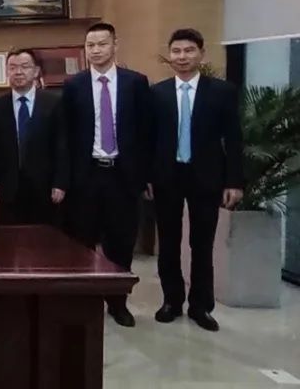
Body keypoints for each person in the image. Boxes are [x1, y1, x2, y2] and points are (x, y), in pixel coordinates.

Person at [151, 28, 243, 332]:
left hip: (207, 177)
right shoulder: (157, 93)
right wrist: (147, 177)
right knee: (168, 242)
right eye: (176, 51)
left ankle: (201, 306)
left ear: (201, 54)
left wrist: (234, 181)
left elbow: (234, 139)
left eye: (189, 50)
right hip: (166, 177)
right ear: (170, 55)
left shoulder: (222, 92)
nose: (182, 57)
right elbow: (147, 140)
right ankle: (171, 301)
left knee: (202, 244)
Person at [62, 22, 153, 328]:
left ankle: (117, 303)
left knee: (121, 242)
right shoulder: (73, 85)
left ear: (115, 45)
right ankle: (85, 302)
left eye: (102, 44)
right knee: (82, 242)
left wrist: (145, 176)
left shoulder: (135, 83)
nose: (96, 50)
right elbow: (66, 136)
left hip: (123, 176)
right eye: (90, 45)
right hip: (86, 175)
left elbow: (146, 132)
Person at [0, 49, 69, 225]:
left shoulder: (54, 103)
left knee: (44, 238)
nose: (18, 72)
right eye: (12, 67)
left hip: (45, 187)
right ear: (7, 72)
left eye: (24, 67)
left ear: (36, 71)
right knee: (10, 238)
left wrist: (60, 183)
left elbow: (61, 146)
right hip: (8, 189)